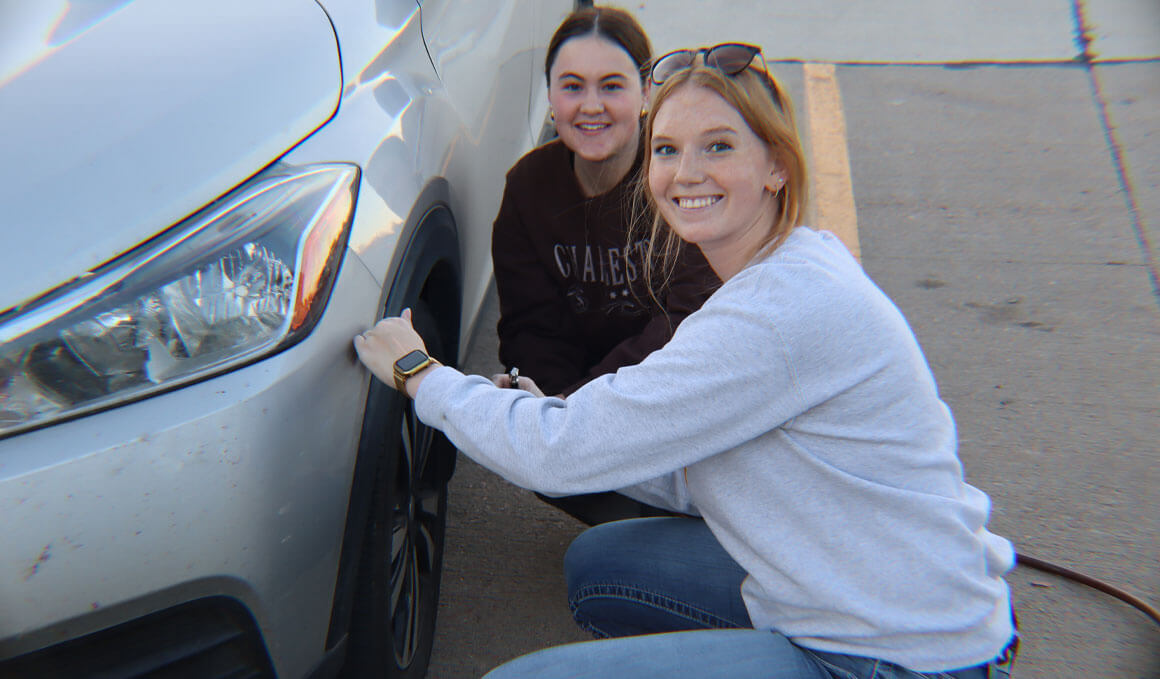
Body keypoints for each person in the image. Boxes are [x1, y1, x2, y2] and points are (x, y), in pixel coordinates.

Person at [355, 43, 1017, 679]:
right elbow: (690, 462)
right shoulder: (789, 265)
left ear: (776, 166)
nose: (686, 172)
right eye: (667, 149)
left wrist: (423, 375)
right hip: (867, 581)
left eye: (719, 146)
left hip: (894, 654)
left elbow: (555, 453)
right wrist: (542, 410)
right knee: (600, 566)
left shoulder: (772, 316)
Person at [490, 5, 719, 525]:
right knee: (523, 437)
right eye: (572, 87)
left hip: (677, 400)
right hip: (584, 407)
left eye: (611, 86)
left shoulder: (680, 179)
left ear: (644, 94)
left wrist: (582, 410)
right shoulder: (529, 188)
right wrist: (548, 409)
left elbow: (687, 322)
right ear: (549, 98)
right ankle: (639, 532)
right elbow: (529, 326)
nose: (590, 106)